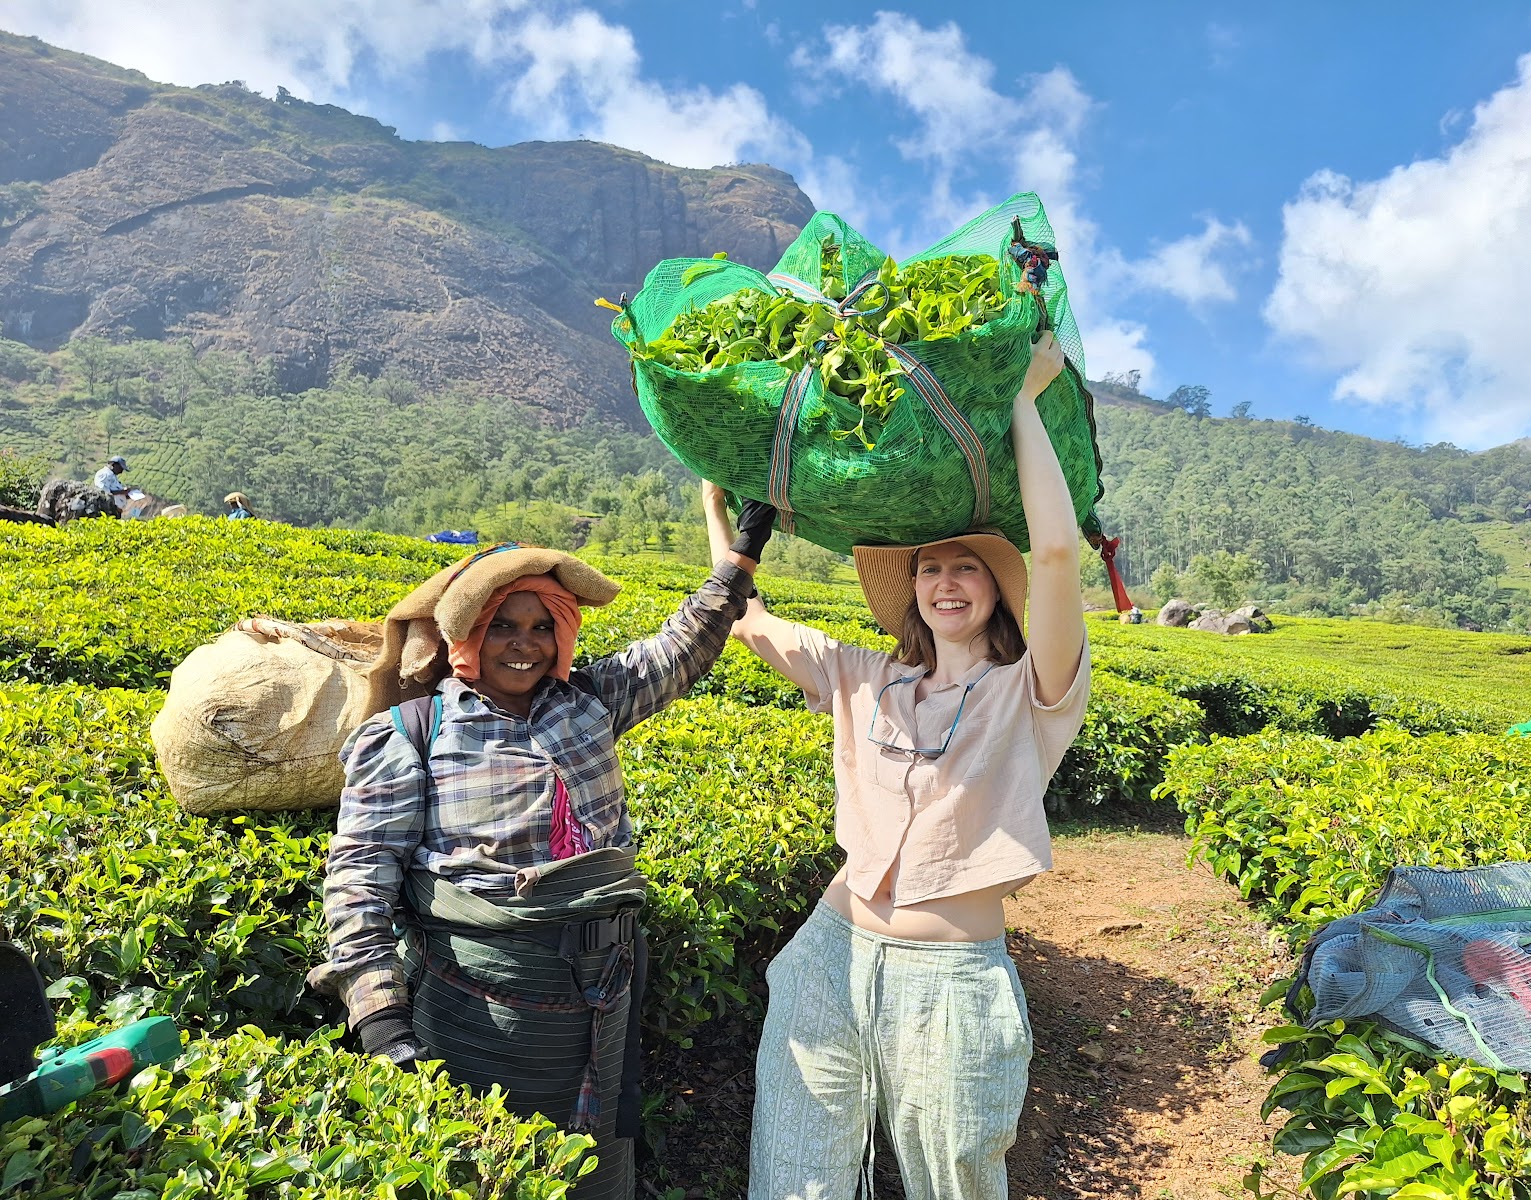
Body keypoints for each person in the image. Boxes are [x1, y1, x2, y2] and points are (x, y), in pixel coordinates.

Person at [703, 332, 1090, 1200]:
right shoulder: (866, 678)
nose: (945, 582)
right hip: (829, 955)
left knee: (955, 1179)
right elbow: (745, 614)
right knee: (795, 1173)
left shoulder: (1032, 691)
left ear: (998, 588)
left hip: (949, 983)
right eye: (929, 568)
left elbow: (1059, 556)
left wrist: (1024, 399)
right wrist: (716, 501)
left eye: (967, 568)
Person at [309, 517, 775, 1200]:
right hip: (476, 998)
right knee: (482, 1167)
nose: (523, 644)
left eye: (541, 626)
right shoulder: (412, 733)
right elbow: (360, 874)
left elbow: (681, 649)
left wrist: (741, 556)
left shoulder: (588, 702)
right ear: (467, 638)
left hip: (599, 990)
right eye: (502, 626)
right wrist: (377, 1008)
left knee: (590, 1165)